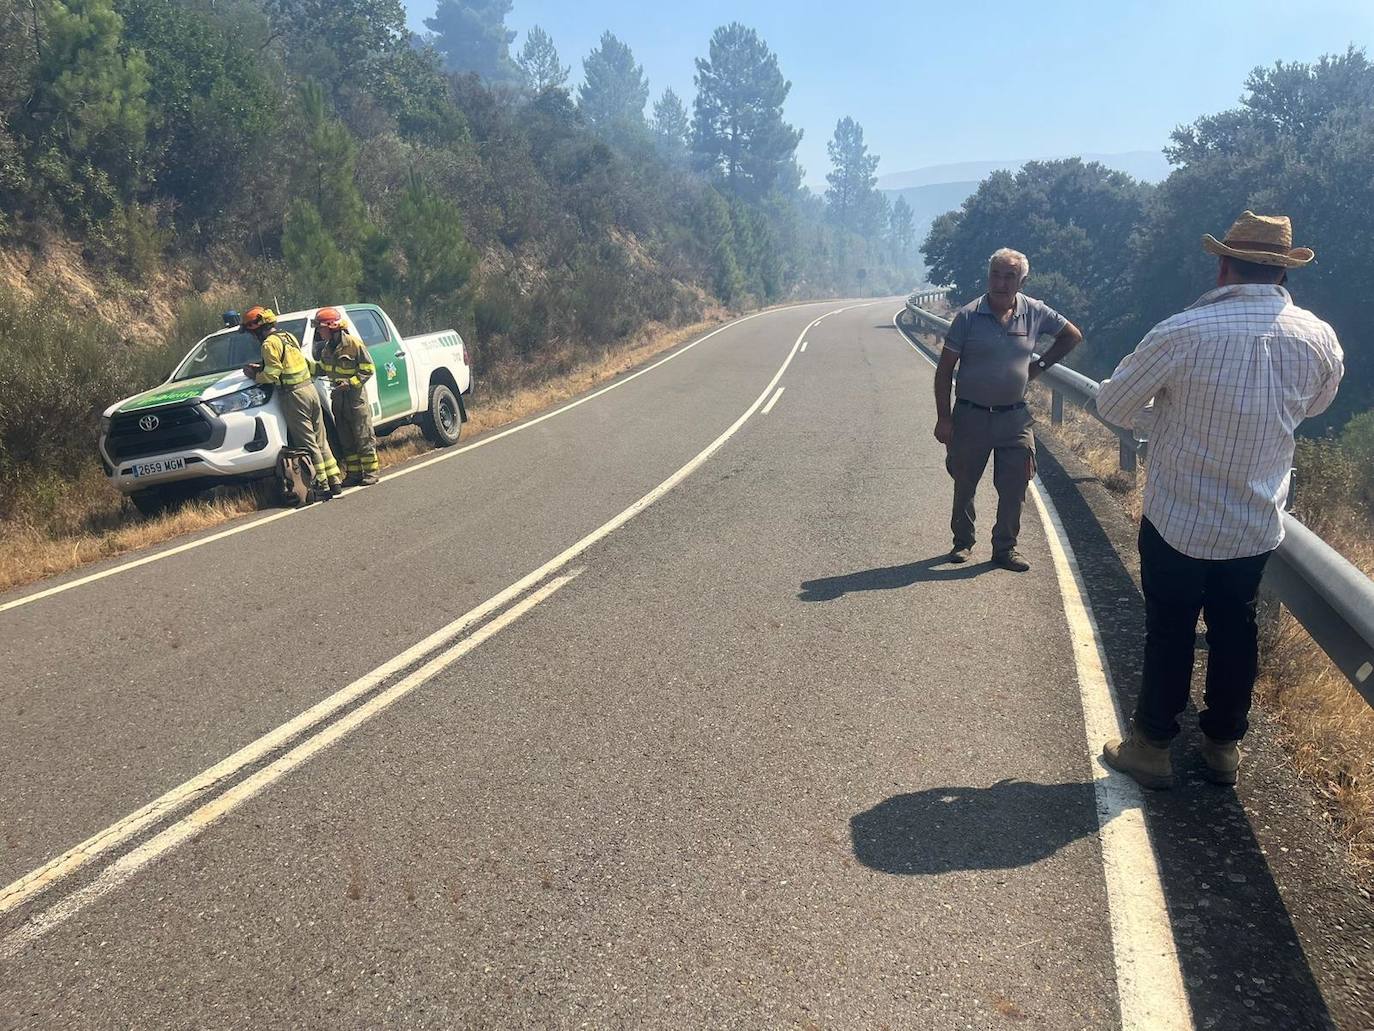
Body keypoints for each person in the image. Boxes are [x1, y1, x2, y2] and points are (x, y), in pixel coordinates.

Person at [1096, 211, 1344, 790]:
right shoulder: (1317, 336)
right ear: (1281, 273)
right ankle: (1223, 747)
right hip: (1255, 520)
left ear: (1223, 265)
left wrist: (1167, 412)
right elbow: (1316, 405)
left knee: (1171, 628)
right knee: (1237, 628)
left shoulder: (1182, 331)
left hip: (1178, 515)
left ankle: (1153, 745)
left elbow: (1113, 407)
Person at [933, 248, 1084, 571]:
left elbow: (1071, 335)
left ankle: (1005, 548)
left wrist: (1039, 366)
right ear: (988, 277)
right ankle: (962, 542)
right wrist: (944, 418)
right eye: (995, 275)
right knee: (964, 481)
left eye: (1009, 276)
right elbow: (945, 369)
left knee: (1016, 484)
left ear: (1022, 280)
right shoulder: (969, 316)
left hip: (1015, 417)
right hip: (970, 414)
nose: (1001, 283)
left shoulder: (1035, 312)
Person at [239, 306, 342, 501]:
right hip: (310, 390)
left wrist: (255, 374)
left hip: (294, 395)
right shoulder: (287, 337)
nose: (252, 337)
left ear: (256, 329)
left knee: (307, 442)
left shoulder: (268, 345)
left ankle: (321, 485)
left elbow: (272, 374)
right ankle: (335, 479)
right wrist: (263, 366)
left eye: (251, 332)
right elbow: (290, 362)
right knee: (321, 440)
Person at [313, 307, 379, 487]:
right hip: (338, 400)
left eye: (321, 328)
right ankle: (354, 474)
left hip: (355, 399)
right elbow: (322, 369)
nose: (319, 332)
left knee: (363, 436)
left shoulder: (353, 344)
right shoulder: (327, 349)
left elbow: (368, 369)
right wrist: (303, 366)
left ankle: (371, 472)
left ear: (331, 327)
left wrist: (349, 383)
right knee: (346, 439)